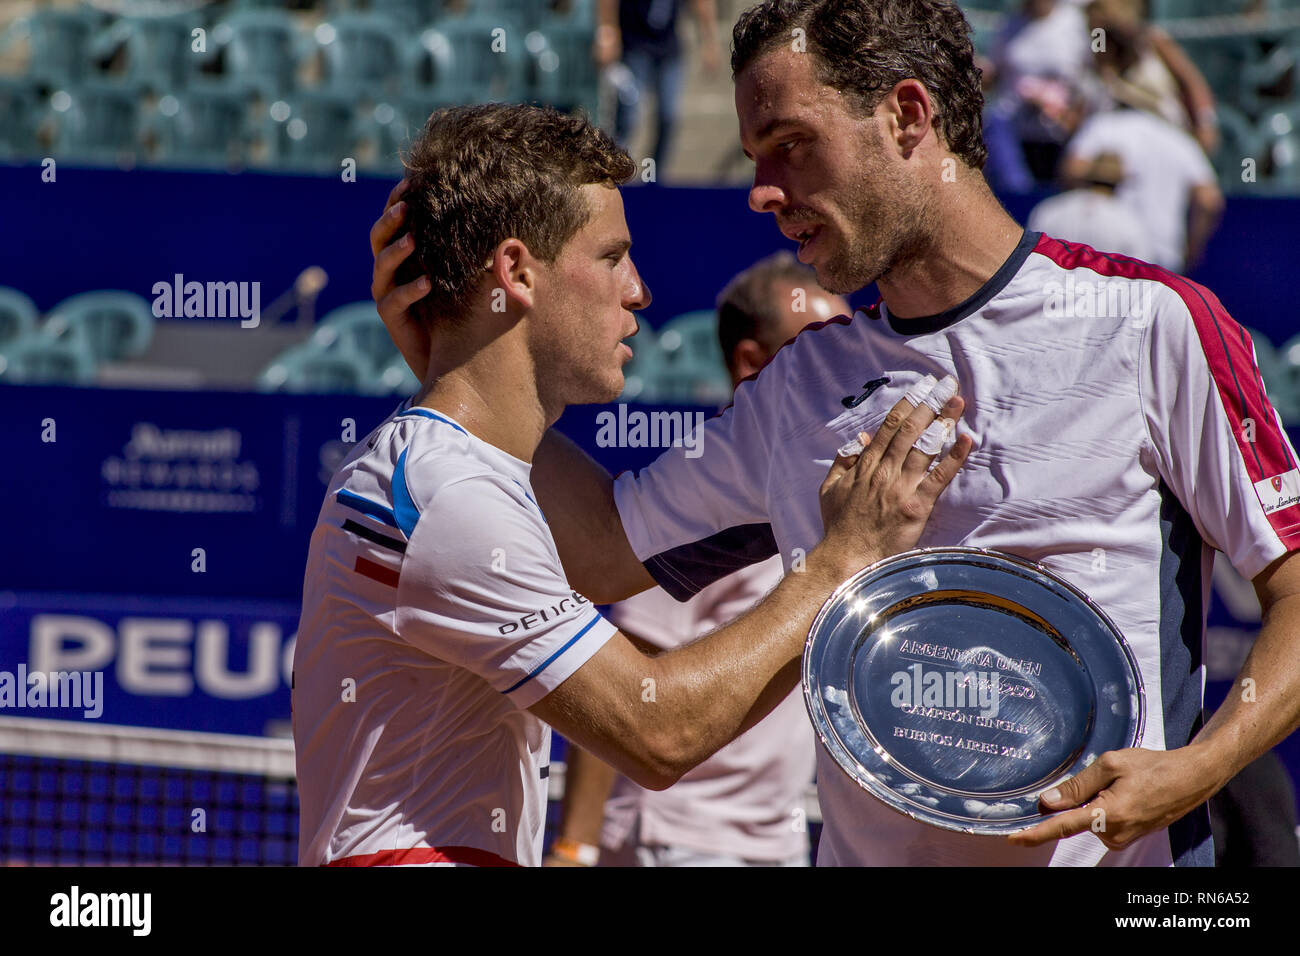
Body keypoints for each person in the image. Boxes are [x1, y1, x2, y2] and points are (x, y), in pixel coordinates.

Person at [373, 0, 1300, 868]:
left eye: (790, 146)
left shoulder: (1153, 325)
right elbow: (602, 548)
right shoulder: (798, 387)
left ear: (906, 116)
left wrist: (1202, 765)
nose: (762, 193)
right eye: (753, 158)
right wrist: (459, 371)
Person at [295, 102, 969, 867]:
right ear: (516, 272)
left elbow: (613, 546)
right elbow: (659, 732)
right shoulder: (446, 495)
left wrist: (448, 368)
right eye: (613, 256)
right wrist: (841, 563)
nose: (640, 290)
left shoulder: (451, 469)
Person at [546, 253, 845, 869]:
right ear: (753, 365)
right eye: (821, 349)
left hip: (776, 843)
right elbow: (618, 689)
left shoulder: (830, 492)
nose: (849, 370)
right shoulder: (699, 496)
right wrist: (576, 847)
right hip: (678, 842)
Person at [1060, 89, 1224, 272]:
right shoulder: (1181, 140)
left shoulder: (1104, 126)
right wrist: (1191, 250)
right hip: (1164, 255)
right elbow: (1208, 201)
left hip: (1113, 252)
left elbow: (1073, 170)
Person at [595, 0, 720, 176]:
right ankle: (615, 175)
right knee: (629, 117)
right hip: (634, 46)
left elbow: (701, 3)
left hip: (668, 48)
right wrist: (607, 30)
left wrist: (709, 41)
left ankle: (653, 177)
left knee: (668, 116)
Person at [1027, 151, 1154, 261]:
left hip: (1055, 285)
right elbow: (1141, 263)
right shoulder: (1127, 218)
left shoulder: (1051, 209)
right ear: (1118, 183)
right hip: (1106, 286)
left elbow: (1032, 255)